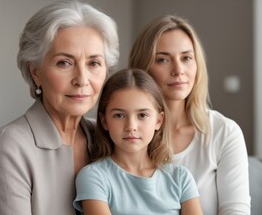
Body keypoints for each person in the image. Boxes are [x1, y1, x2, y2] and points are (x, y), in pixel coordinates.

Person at [0, 0, 119, 215]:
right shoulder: (9, 146)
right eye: (64, 63)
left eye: (94, 63)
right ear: (35, 71)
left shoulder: (108, 135)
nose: (82, 79)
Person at [129, 15, 250, 214]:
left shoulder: (224, 132)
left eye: (186, 58)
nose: (178, 70)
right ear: (142, 68)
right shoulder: (123, 132)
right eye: (163, 59)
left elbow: (236, 210)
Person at [73, 68, 203, 215]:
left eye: (142, 115)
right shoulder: (94, 177)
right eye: (119, 115)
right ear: (104, 121)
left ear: (159, 121)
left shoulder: (181, 178)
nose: (131, 127)